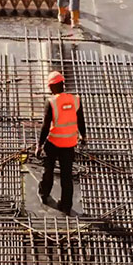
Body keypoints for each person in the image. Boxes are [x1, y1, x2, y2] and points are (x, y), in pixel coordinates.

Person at [39, 70, 84, 213]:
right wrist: (83, 136)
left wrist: (39, 146)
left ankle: (44, 194)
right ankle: (66, 205)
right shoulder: (75, 100)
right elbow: (81, 120)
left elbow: (45, 126)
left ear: (52, 87)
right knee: (66, 176)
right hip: (69, 143)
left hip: (53, 142)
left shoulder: (51, 102)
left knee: (48, 170)